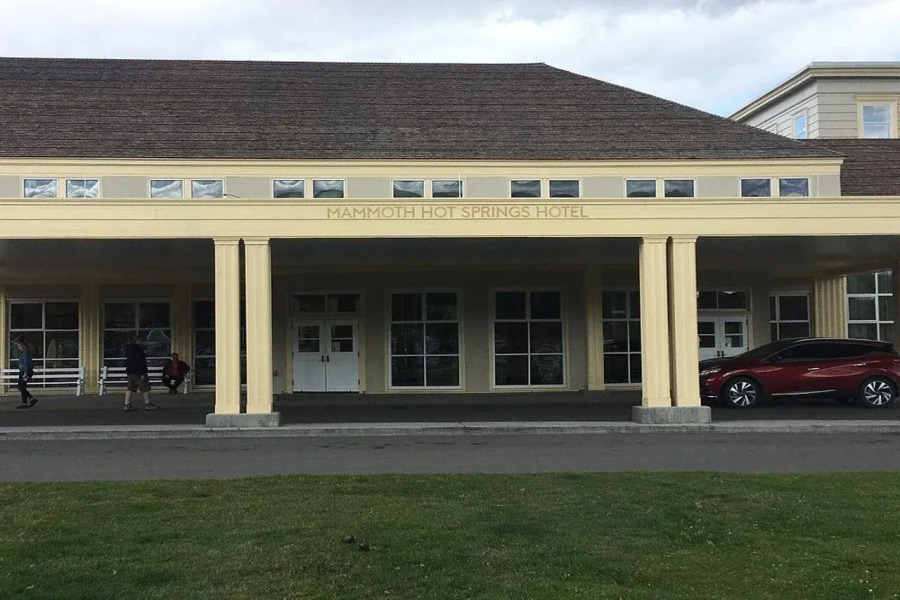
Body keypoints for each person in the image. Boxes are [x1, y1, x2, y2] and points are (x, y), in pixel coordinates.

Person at [123, 336, 160, 411]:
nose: (141, 341)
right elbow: (140, 361)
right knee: (145, 388)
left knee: (130, 388)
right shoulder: (138, 349)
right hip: (138, 372)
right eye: (140, 340)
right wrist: (143, 372)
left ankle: (127, 403)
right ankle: (148, 403)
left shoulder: (129, 349)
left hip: (130, 372)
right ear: (137, 341)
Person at [14, 337, 37, 409]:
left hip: (25, 372)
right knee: (20, 386)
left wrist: (26, 373)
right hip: (24, 371)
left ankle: (25, 403)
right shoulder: (26, 353)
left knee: (21, 386)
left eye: (19, 346)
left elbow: (27, 364)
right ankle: (31, 399)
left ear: (23, 346)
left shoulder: (25, 354)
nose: (19, 348)